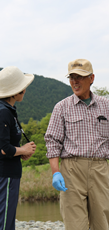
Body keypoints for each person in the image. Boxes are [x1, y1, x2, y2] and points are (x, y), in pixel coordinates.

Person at [45, 59, 109, 230]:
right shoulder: (61, 107)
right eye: (72, 77)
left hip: (99, 170)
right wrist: (55, 173)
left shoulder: (105, 105)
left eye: (80, 77)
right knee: (75, 225)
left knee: (101, 223)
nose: (75, 81)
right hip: (72, 171)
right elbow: (52, 141)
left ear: (91, 78)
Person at [0, 66, 37, 230]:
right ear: (14, 91)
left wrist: (20, 152)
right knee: (5, 221)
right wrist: (23, 150)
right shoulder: (3, 112)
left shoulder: (8, 110)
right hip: (6, 174)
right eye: (22, 87)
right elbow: (4, 149)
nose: (25, 89)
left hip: (9, 172)